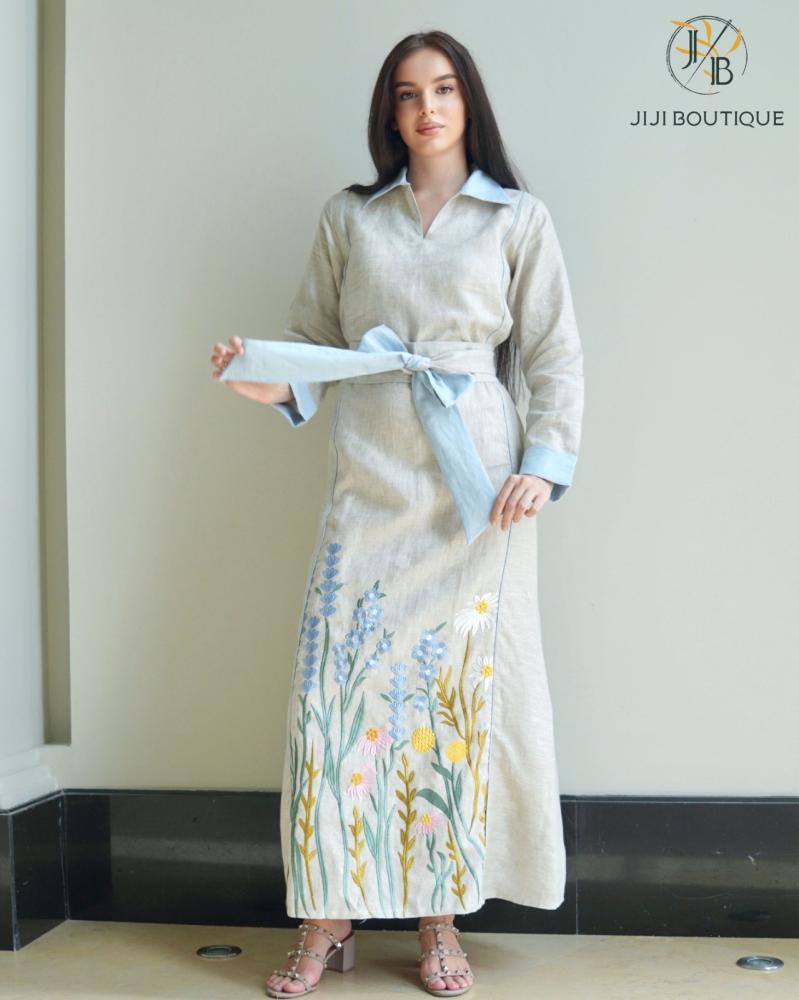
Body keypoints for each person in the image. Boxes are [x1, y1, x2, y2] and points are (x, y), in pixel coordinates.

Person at [210, 28, 584, 999]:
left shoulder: (517, 217)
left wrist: (543, 465)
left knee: (447, 696)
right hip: (370, 472)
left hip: (476, 488)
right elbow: (312, 347)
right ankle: (326, 913)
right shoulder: (351, 215)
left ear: (468, 102)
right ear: (389, 111)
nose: (427, 108)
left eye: (444, 89)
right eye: (409, 93)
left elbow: (553, 353)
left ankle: (439, 915)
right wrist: (263, 381)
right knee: (336, 697)